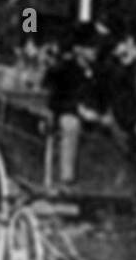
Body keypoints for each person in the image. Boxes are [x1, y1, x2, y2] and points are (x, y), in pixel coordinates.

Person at [44, 21, 104, 186]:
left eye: (96, 46)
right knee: (71, 125)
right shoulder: (64, 70)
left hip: (94, 116)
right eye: (91, 46)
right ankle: (67, 176)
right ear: (78, 49)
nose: (95, 50)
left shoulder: (99, 71)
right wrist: (78, 110)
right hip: (68, 115)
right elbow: (54, 101)